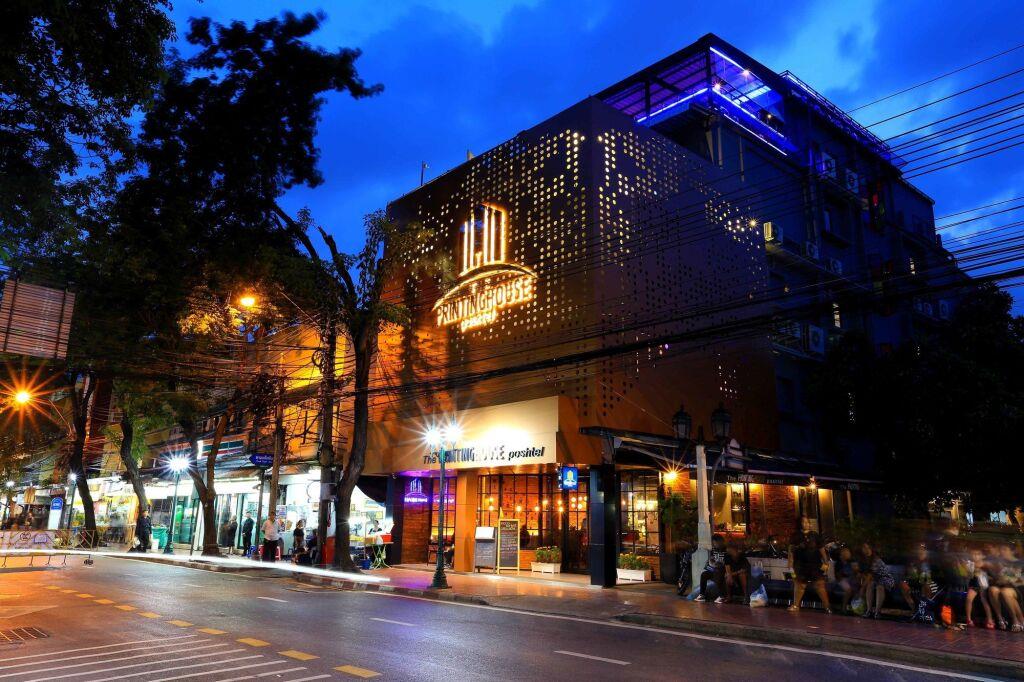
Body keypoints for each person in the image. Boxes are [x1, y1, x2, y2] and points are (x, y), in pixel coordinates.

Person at [788, 519, 831, 613]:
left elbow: (821, 549)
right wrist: (790, 565)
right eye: (803, 522)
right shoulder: (795, 536)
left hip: (815, 564)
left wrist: (826, 562)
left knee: (820, 585)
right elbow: (791, 551)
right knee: (800, 585)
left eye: (807, 522)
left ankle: (827, 607)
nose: (806, 524)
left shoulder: (814, 535)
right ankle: (796, 606)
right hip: (800, 565)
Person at [860, 541, 895, 619]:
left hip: (886, 579)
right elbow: (864, 574)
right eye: (864, 548)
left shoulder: (875, 559)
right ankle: (869, 611)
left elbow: (870, 575)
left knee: (879, 586)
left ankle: (877, 612)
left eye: (868, 548)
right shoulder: (864, 559)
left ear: (871, 549)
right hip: (876, 579)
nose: (866, 549)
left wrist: (862, 588)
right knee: (870, 585)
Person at [965, 547, 994, 628]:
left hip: (983, 585)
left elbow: (992, 574)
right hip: (974, 584)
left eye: (977, 554)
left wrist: (983, 572)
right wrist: (971, 571)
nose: (975, 556)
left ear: (982, 556)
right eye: (973, 554)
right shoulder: (969, 563)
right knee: (968, 599)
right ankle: (968, 619)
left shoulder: (986, 563)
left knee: (984, 600)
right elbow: (969, 575)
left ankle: (990, 619)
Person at [694, 534, 726, 602]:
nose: (714, 544)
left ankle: (722, 596)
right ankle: (702, 595)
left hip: (723, 569)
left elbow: (728, 562)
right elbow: (711, 560)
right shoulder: (713, 550)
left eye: (715, 543)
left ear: (719, 542)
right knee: (704, 574)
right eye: (713, 543)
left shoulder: (725, 550)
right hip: (715, 568)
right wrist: (713, 563)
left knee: (718, 573)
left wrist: (721, 564)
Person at [832, 546, 860, 613]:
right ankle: (843, 608)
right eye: (846, 553)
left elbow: (856, 572)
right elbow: (838, 576)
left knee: (858, 590)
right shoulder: (839, 563)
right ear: (842, 554)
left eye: (848, 553)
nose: (848, 554)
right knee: (849, 590)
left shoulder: (852, 561)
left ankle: (856, 609)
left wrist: (855, 571)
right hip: (841, 580)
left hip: (851, 579)